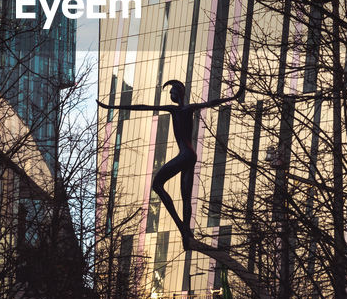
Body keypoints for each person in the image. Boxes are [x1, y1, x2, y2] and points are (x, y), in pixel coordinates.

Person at [98, 77, 244, 247]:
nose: (170, 95)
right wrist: (233, 97)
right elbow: (212, 102)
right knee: (186, 197)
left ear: (178, 93)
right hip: (191, 155)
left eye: (172, 92)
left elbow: (144, 107)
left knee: (157, 184)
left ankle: (181, 225)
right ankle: (186, 232)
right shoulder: (189, 108)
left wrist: (112, 107)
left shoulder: (176, 110)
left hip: (185, 155)